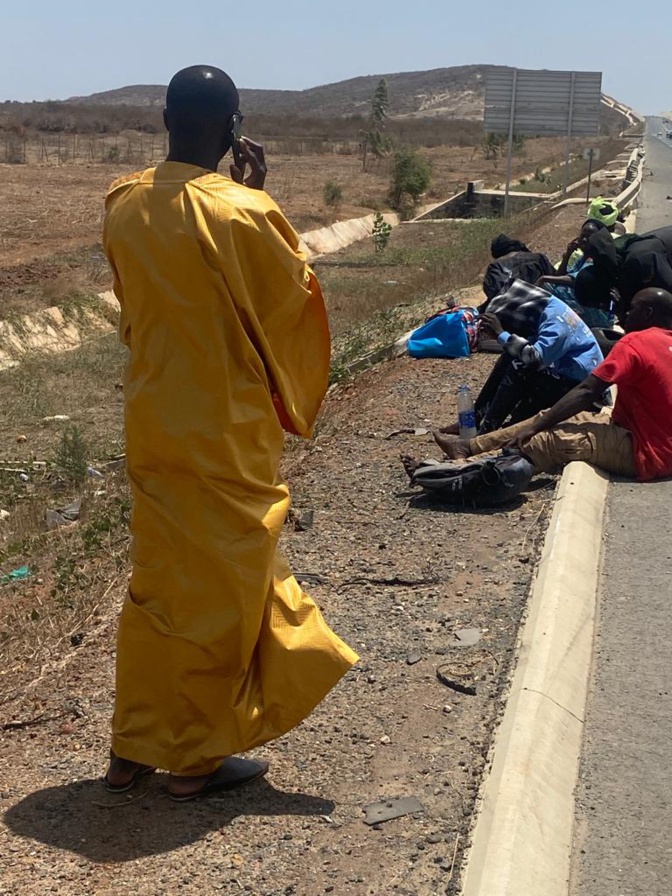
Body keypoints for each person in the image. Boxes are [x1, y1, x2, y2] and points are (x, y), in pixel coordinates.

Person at [102, 65, 357, 801]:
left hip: (153, 420)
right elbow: (288, 305)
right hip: (223, 430)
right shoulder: (244, 214)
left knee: (158, 582)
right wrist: (258, 192)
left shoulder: (121, 203)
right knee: (223, 588)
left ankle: (131, 747)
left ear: (164, 118)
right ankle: (195, 758)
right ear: (234, 126)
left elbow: (135, 298)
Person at [434, 288, 672, 483]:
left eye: (632, 310)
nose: (625, 316)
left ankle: (457, 476)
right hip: (639, 430)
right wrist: (539, 422)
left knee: (549, 440)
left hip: (649, 451)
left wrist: (534, 430)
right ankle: (469, 447)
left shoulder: (634, 342)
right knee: (547, 418)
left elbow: (587, 392)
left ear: (648, 313)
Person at [435, 280, 604, 442]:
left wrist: (501, 334)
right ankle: (477, 416)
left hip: (584, 392)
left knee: (520, 367)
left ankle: (486, 432)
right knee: (511, 355)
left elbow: (534, 358)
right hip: (566, 377)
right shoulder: (547, 308)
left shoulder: (555, 325)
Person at [536, 220, 615, 327]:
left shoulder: (594, 259)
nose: (584, 240)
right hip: (586, 306)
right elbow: (559, 276)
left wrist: (543, 278)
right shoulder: (584, 257)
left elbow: (575, 280)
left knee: (546, 288)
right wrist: (567, 256)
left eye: (589, 237)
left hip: (598, 315)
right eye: (582, 235)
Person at [480, 234, 555, 308]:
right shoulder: (538, 258)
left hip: (516, 310)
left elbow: (494, 293)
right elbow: (554, 278)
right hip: (546, 303)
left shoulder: (496, 266)